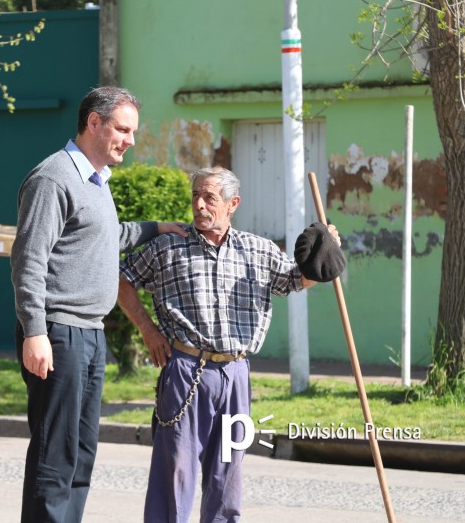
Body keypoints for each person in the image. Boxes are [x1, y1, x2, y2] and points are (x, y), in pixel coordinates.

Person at [117, 166, 344, 523]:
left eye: (209, 197)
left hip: (237, 373)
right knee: (175, 470)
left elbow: (296, 280)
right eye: (196, 196)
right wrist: (148, 330)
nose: (200, 205)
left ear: (232, 203)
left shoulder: (258, 250)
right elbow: (121, 278)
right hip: (186, 370)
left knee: (228, 472)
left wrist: (323, 250)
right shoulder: (167, 246)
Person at [10, 86, 186, 523]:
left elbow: (108, 235)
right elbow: (28, 261)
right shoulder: (53, 178)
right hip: (57, 333)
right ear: (94, 123)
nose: (130, 140)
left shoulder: (95, 181)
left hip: (90, 333)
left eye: (132, 131)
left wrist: (157, 227)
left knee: (82, 453)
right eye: (123, 129)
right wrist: (34, 332)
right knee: (56, 454)